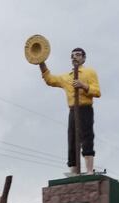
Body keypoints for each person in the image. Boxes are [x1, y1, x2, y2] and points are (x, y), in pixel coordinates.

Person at [39, 47, 100, 175]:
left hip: (85, 109)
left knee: (87, 137)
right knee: (72, 139)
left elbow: (97, 91)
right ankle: (73, 171)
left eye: (78, 55)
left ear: (83, 58)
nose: (75, 57)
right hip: (73, 110)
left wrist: (83, 85)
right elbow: (50, 79)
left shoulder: (90, 72)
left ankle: (89, 170)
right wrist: (41, 62)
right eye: (72, 55)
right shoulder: (67, 77)